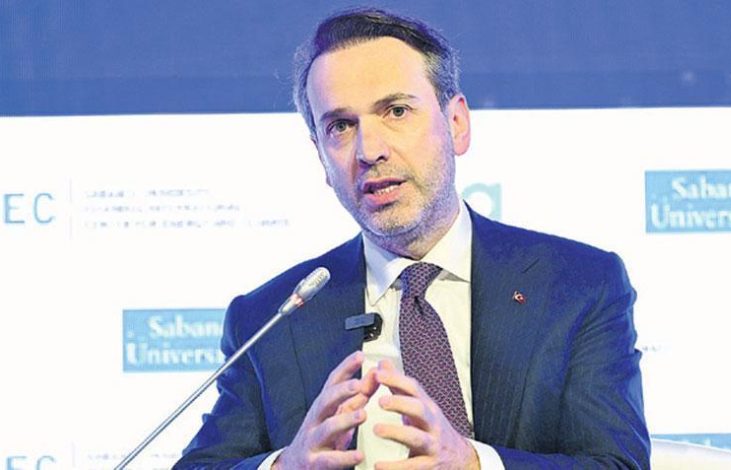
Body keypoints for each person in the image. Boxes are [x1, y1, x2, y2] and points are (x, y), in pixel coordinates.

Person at [175, 7, 650, 469]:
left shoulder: (579, 285)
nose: (370, 150)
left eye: (396, 111)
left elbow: (617, 463)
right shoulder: (271, 318)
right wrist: (285, 468)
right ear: (320, 155)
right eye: (341, 126)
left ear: (456, 124)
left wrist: (473, 465)